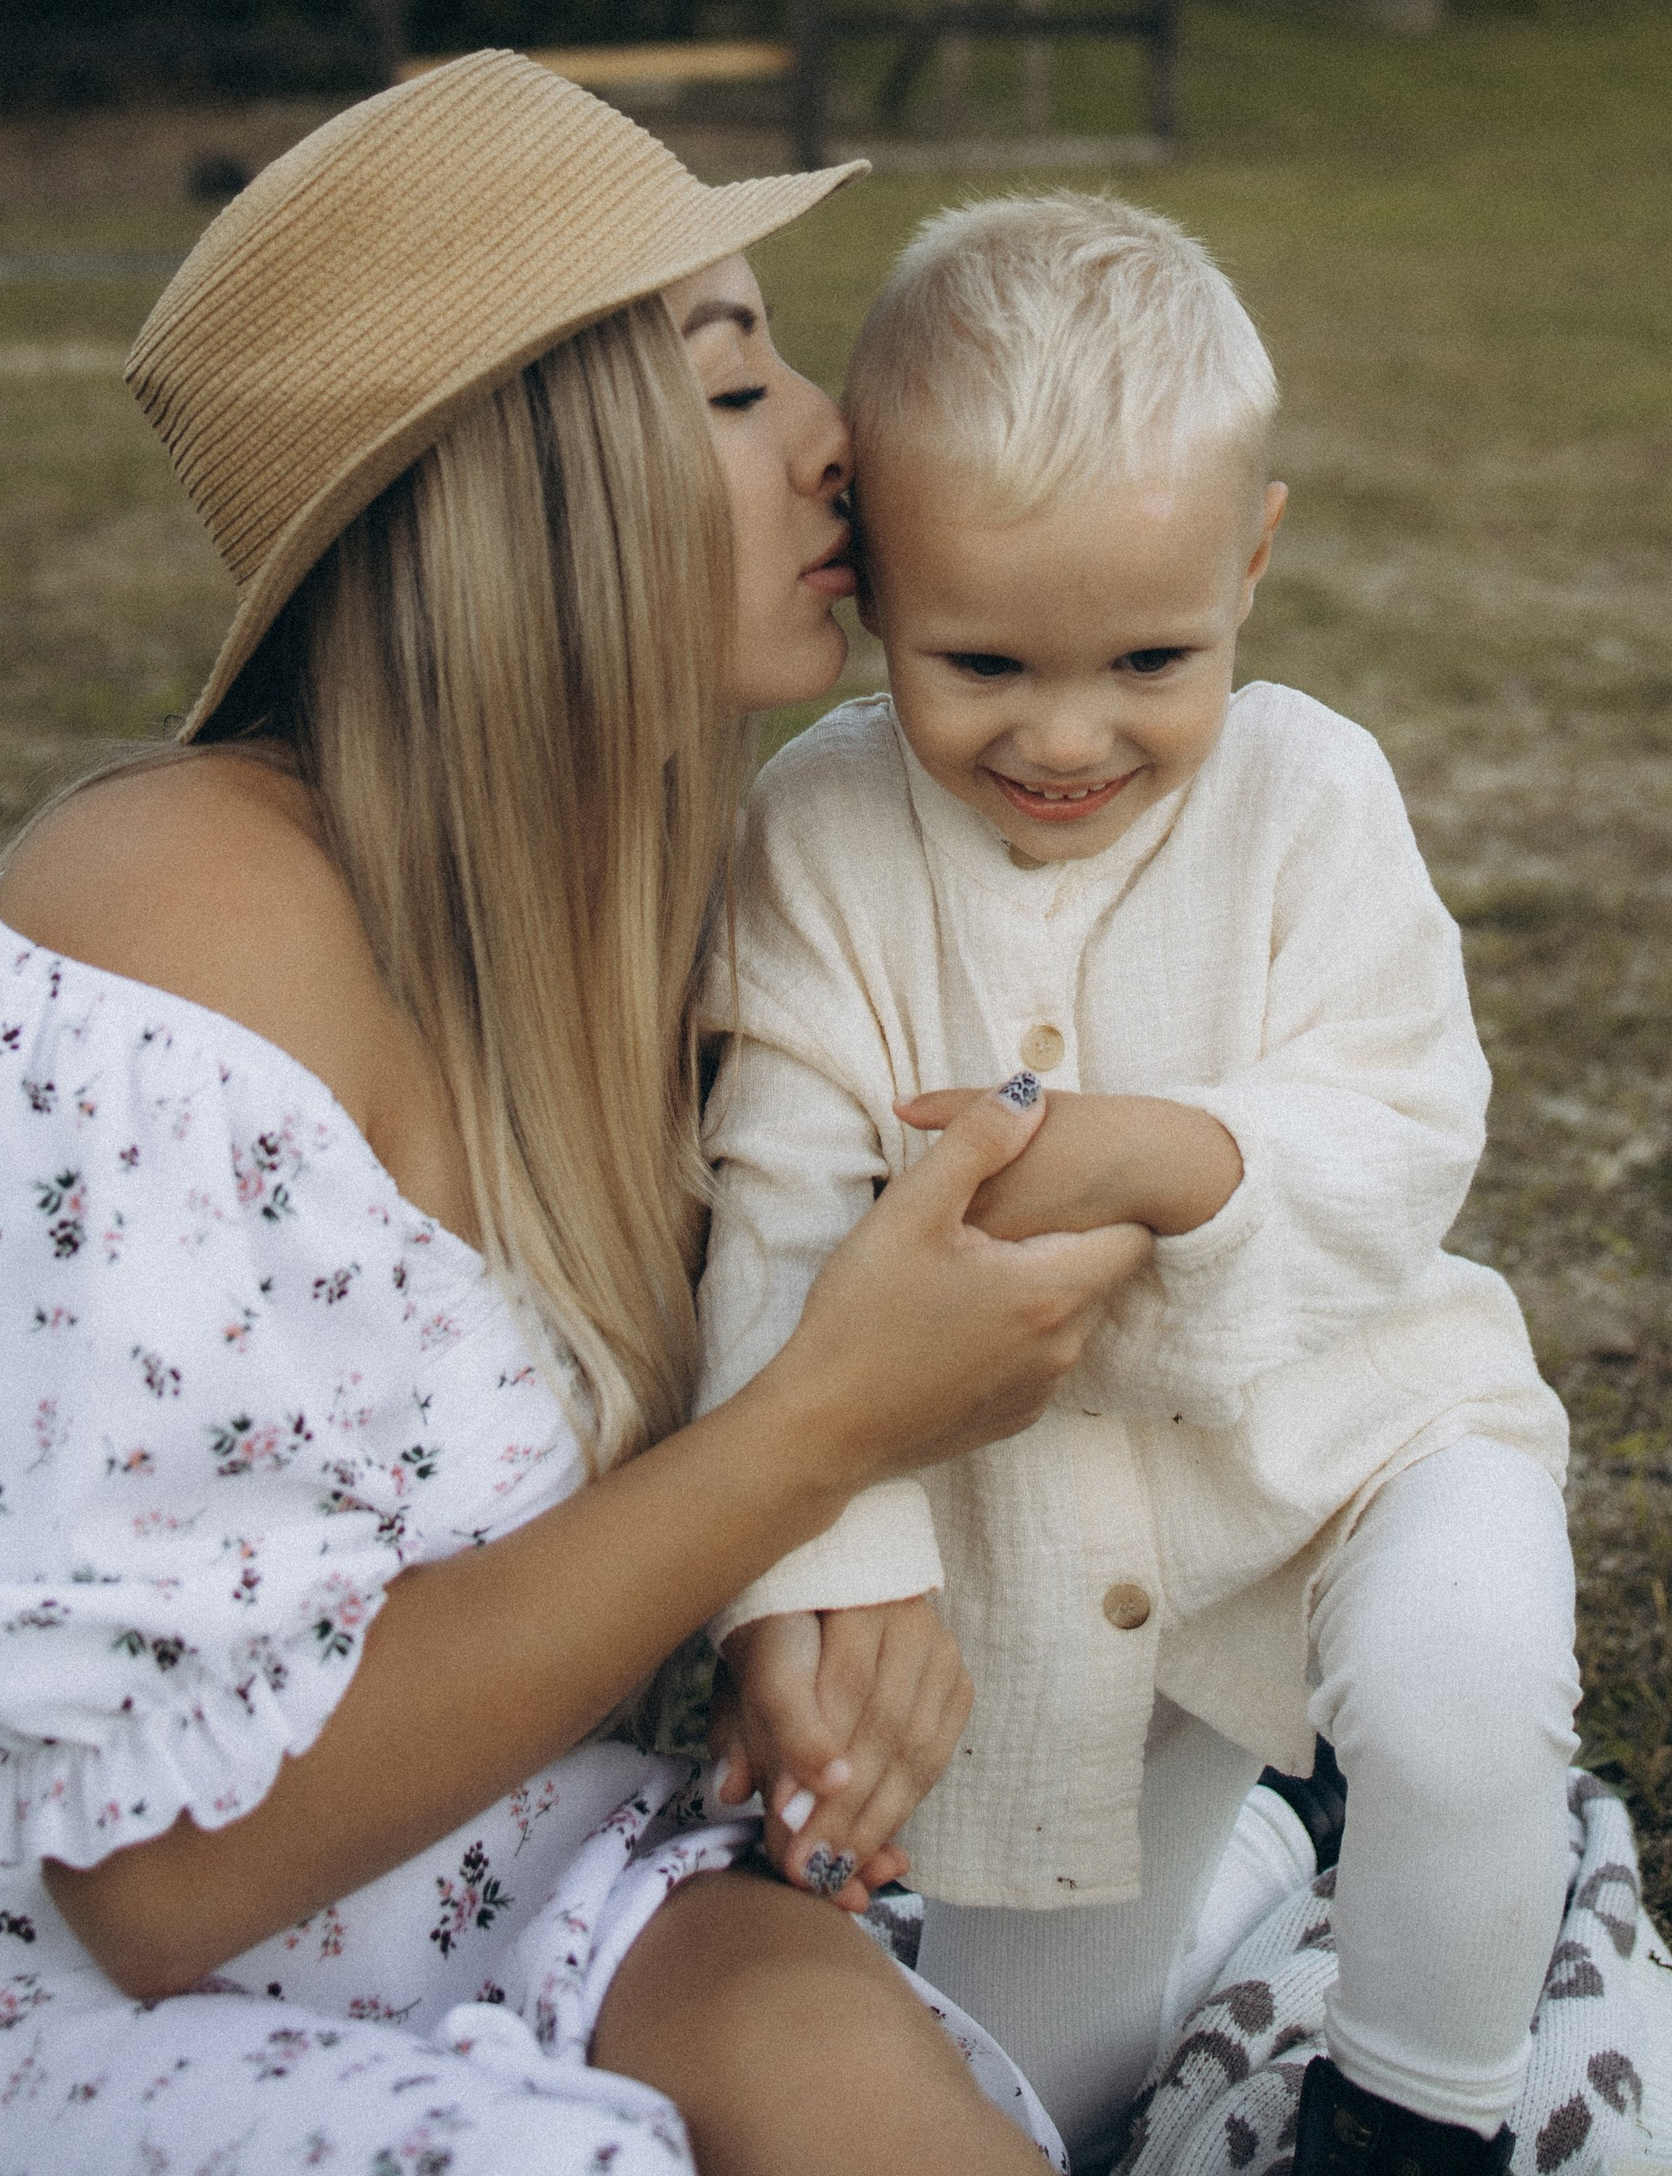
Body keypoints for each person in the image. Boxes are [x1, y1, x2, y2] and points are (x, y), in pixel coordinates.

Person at [0, 56, 1157, 2176]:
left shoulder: (649, 897)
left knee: (869, 2106)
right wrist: (824, 1435)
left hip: (498, 1866)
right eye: (730, 383)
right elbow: (160, 1884)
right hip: (31, 1984)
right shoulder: (165, 933)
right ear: (511, 482)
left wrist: (833, 1582)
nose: (839, 432)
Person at [697, 192, 1581, 2176]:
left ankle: (1418, 2108)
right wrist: (826, 1571)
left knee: (1462, 1691)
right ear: (873, 584)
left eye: (1148, 657)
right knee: (1048, 2091)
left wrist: (1185, 1159)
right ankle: (1272, 1846)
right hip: (1032, 1557)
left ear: (1249, 559)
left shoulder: (1305, 794)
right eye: (982, 658)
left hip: (1348, 1437)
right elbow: (764, 1220)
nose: (1067, 734)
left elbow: (1406, 1116)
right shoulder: (817, 838)